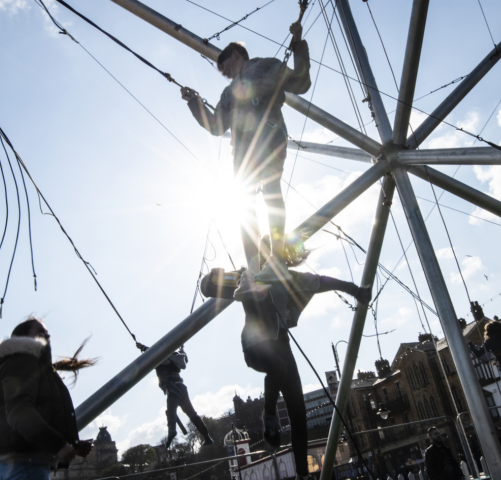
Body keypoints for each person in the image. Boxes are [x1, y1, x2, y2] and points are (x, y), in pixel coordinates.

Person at [200, 238, 370, 480]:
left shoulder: (292, 278)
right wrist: (213, 276)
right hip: (255, 345)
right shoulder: (248, 275)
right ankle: (269, 415)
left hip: (282, 345)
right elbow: (208, 287)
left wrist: (356, 290)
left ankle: (302, 474)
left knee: (298, 413)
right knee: (278, 370)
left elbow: (323, 281)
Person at [181, 21, 311, 283]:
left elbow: (300, 82)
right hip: (242, 154)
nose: (223, 71)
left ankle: (275, 258)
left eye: (224, 64)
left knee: (272, 193)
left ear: (236, 54)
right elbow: (217, 126)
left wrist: (297, 44)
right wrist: (195, 103)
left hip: (269, 137)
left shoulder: (266, 67)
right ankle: (254, 267)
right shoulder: (227, 95)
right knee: (244, 206)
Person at [0, 316, 96, 480]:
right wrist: (58, 445)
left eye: (48, 333)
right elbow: (20, 412)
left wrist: (71, 445)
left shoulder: (24, 365)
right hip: (22, 463)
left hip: (8, 461)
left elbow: (38, 414)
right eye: (41, 332)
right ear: (24, 338)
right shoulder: (23, 362)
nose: (47, 336)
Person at [136, 343, 214, 448]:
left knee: (171, 411)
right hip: (181, 387)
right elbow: (185, 358)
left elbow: (152, 353)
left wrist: (142, 347)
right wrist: (182, 349)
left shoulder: (163, 359)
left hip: (172, 387)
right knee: (192, 414)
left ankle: (172, 430)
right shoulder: (178, 358)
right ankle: (207, 437)